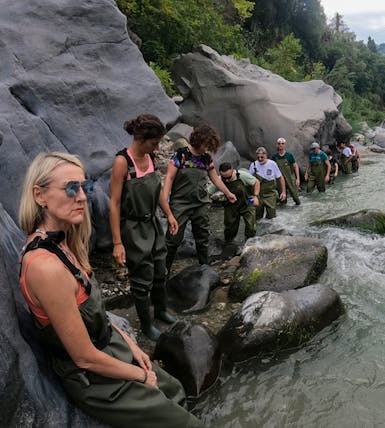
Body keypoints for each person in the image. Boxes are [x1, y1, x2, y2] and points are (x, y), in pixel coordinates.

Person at [18, 152, 204, 428]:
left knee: (175, 389)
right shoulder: (45, 267)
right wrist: (140, 376)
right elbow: (84, 357)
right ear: (40, 195)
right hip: (94, 377)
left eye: (85, 186)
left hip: (109, 347)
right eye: (71, 187)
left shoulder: (67, 241)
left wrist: (133, 347)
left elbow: (100, 317)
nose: (82, 196)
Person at [109, 114, 174, 340]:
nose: (156, 147)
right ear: (141, 138)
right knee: (141, 277)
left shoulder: (150, 157)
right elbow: (115, 204)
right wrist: (117, 243)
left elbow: (157, 193)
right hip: (134, 228)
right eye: (154, 142)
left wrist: (169, 214)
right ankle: (146, 327)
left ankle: (162, 311)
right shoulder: (122, 162)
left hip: (153, 223)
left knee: (160, 269)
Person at [160, 124, 237, 273]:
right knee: (173, 239)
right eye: (206, 145)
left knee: (202, 238)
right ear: (198, 140)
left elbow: (215, 179)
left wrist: (228, 193)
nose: (207, 149)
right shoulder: (181, 155)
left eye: (210, 146)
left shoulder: (206, 159)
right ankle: (164, 272)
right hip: (180, 204)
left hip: (201, 204)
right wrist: (165, 202)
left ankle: (204, 269)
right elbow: (169, 178)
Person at [218, 163, 259, 241]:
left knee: (251, 225)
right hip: (231, 205)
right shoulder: (219, 179)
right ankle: (229, 243)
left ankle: (249, 242)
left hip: (247, 202)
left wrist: (255, 196)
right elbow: (209, 191)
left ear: (233, 171)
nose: (226, 180)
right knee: (229, 227)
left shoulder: (242, 175)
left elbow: (256, 182)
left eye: (228, 177)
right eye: (224, 177)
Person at [249, 147, 285, 219]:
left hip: (270, 194)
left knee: (272, 217)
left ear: (266, 155)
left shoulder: (272, 164)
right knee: (257, 217)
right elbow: (248, 180)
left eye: (262, 157)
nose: (260, 159)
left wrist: (283, 192)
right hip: (258, 194)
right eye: (258, 157)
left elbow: (280, 177)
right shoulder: (253, 165)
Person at [271, 137, 301, 205]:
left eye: (282, 143)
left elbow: (295, 166)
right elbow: (272, 169)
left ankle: (299, 209)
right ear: (277, 145)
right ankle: (285, 212)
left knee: (296, 197)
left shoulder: (289, 155)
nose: (281, 145)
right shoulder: (274, 157)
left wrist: (298, 179)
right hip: (279, 180)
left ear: (285, 145)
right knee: (282, 199)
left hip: (290, 178)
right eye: (279, 143)